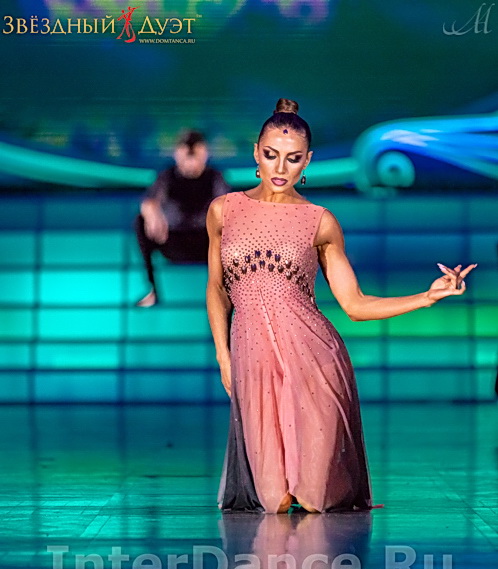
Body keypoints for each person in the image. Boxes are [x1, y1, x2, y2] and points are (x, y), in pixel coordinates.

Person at [206, 97, 478, 514]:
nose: (281, 168)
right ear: (256, 153)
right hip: (252, 362)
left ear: (307, 161)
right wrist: (224, 358)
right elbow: (216, 289)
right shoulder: (224, 211)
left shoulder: (320, 221)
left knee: (314, 500)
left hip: (314, 362)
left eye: (293, 158)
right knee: (274, 502)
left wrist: (427, 296)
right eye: (272, 155)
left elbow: (355, 305)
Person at [134, 129, 231, 307]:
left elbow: (229, 206)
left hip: (207, 243)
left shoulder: (214, 177)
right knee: (140, 222)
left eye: (196, 152)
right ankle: (153, 290)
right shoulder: (167, 176)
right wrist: (152, 213)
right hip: (174, 241)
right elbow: (148, 202)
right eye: (186, 152)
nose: (190, 158)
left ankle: (231, 293)